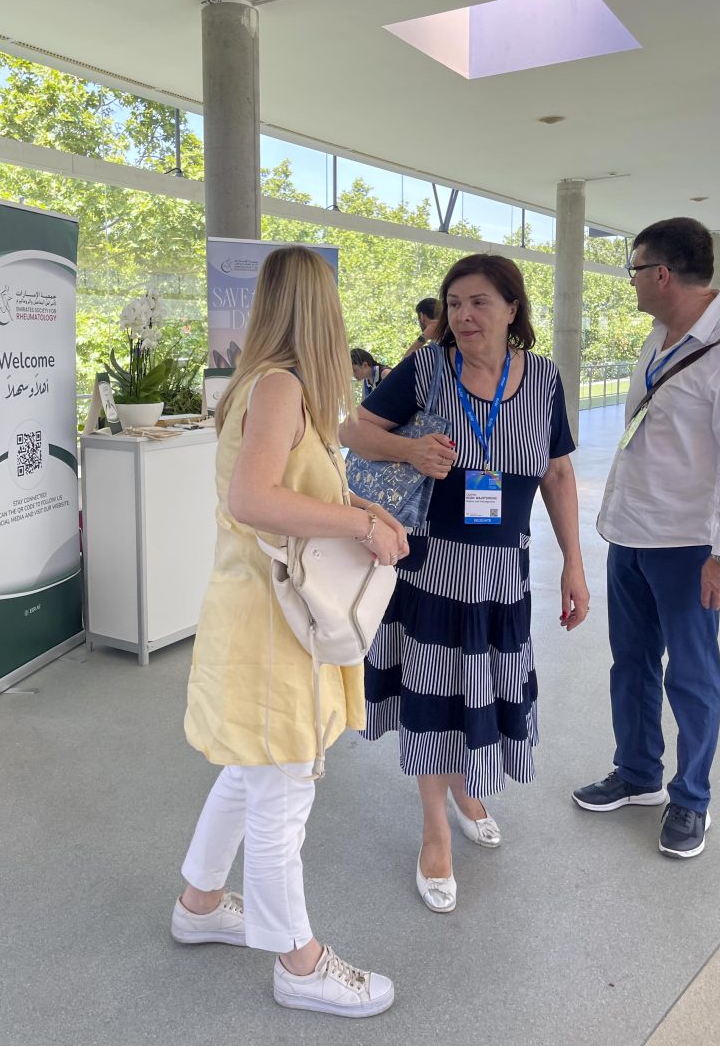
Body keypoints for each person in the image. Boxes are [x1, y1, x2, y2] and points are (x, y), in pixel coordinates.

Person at [173, 246, 408, 1017]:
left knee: (253, 771)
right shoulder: (280, 387)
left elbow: (282, 492)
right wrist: (359, 524)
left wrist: (363, 511)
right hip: (272, 627)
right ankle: (298, 963)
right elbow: (253, 499)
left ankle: (200, 904)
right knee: (282, 792)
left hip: (259, 615)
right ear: (320, 309)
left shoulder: (272, 385)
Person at [340, 254, 589, 912]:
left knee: (475, 689)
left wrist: (574, 563)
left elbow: (558, 474)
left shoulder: (543, 379)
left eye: (479, 302)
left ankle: (463, 786)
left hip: (503, 575)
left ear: (512, 309)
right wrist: (408, 449)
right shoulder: (428, 368)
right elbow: (351, 430)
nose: (464, 315)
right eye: (454, 304)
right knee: (432, 696)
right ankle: (435, 832)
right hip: (430, 568)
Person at [572, 218, 720, 858]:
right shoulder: (659, 336)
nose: (630, 282)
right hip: (631, 532)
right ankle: (638, 772)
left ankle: (691, 799)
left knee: (693, 676)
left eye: (633, 269)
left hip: (688, 545)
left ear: (662, 274)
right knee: (632, 663)